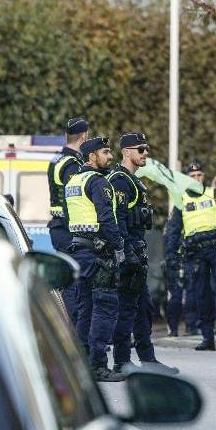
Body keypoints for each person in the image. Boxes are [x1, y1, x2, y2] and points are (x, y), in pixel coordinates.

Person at [107, 133, 177, 375]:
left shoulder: (134, 181)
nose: (145, 153)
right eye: (141, 149)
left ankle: (148, 360)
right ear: (127, 152)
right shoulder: (120, 181)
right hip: (128, 256)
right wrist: (126, 253)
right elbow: (119, 220)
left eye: (146, 148)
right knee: (126, 310)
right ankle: (121, 362)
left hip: (137, 252)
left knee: (144, 308)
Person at [63, 136, 125, 382]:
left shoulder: (72, 182)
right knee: (105, 307)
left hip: (78, 251)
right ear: (92, 156)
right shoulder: (98, 182)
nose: (110, 157)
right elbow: (107, 218)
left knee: (84, 308)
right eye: (106, 152)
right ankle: (98, 365)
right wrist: (118, 245)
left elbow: (69, 218)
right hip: (98, 252)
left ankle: (82, 366)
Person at [167, 161, 216, 351]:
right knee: (202, 295)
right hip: (195, 252)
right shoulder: (181, 200)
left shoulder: (215, 194)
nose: (196, 179)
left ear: (203, 177)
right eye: (192, 177)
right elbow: (173, 231)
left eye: (199, 175)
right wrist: (171, 256)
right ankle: (208, 337)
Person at [47, 117, 89, 253]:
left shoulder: (56, 159)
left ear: (66, 136)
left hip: (58, 226)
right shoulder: (72, 164)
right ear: (84, 136)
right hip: (68, 231)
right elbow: (71, 201)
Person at [163, 207, 192, 336]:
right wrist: (171, 258)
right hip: (177, 259)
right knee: (177, 295)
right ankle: (174, 327)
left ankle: (190, 326)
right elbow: (170, 238)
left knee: (192, 293)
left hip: (188, 257)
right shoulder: (177, 213)